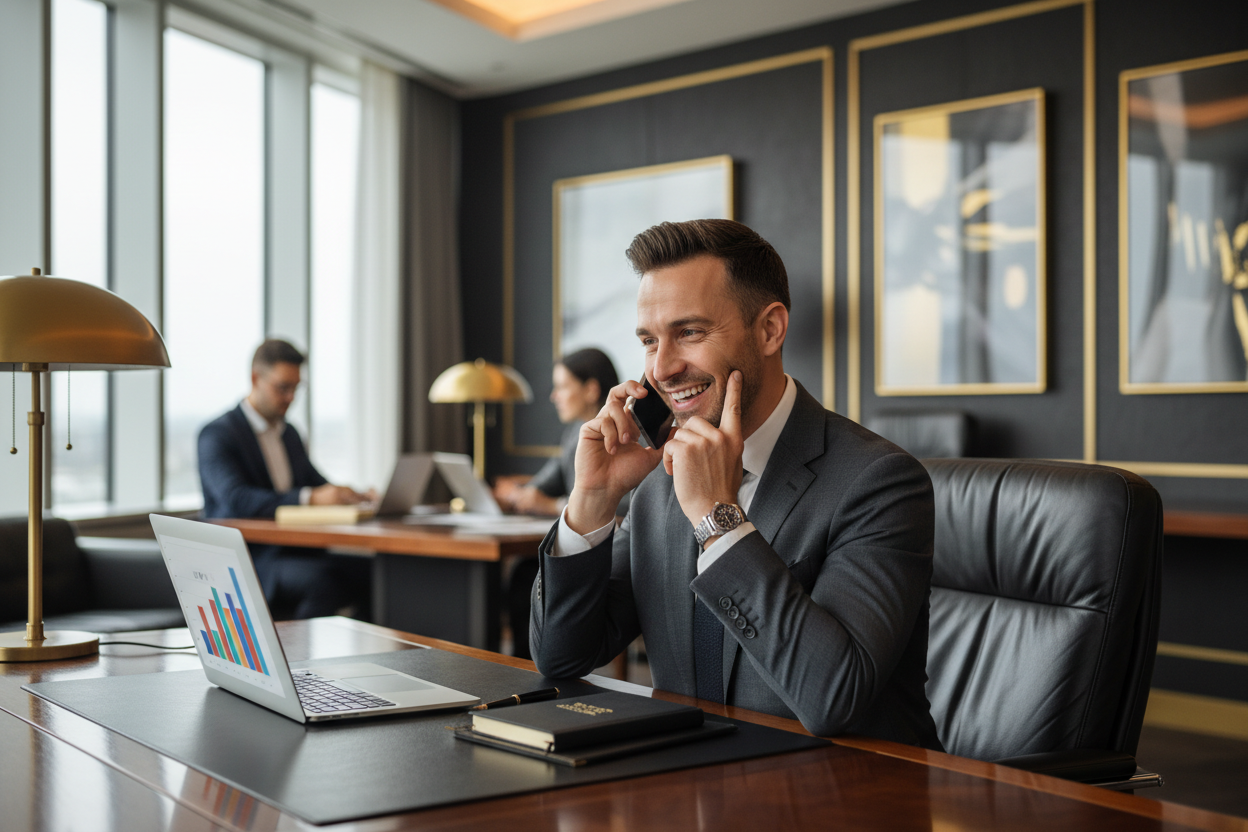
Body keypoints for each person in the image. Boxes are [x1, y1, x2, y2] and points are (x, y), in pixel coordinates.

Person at [529, 219, 942, 748]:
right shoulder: (659, 481)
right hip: (695, 788)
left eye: (691, 333)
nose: (662, 367)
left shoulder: (879, 482)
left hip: (846, 796)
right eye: (649, 340)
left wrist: (716, 517)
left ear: (769, 329)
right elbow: (561, 655)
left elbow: (832, 697)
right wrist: (592, 500)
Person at [198, 339, 372, 620]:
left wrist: (352, 496)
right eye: (283, 387)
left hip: (296, 550)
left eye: (296, 389)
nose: (290, 397)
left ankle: (368, 656)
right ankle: (301, 661)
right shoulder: (217, 435)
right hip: (249, 558)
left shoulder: (289, 433)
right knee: (323, 581)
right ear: (256, 378)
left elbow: (315, 481)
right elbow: (237, 499)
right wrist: (311, 498)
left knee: (372, 572)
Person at [495, 347, 620, 517]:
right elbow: (543, 484)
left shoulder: (624, 436)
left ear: (591, 390)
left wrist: (552, 506)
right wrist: (515, 495)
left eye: (562, 387)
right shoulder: (574, 433)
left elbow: (624, 508)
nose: (554, 396)